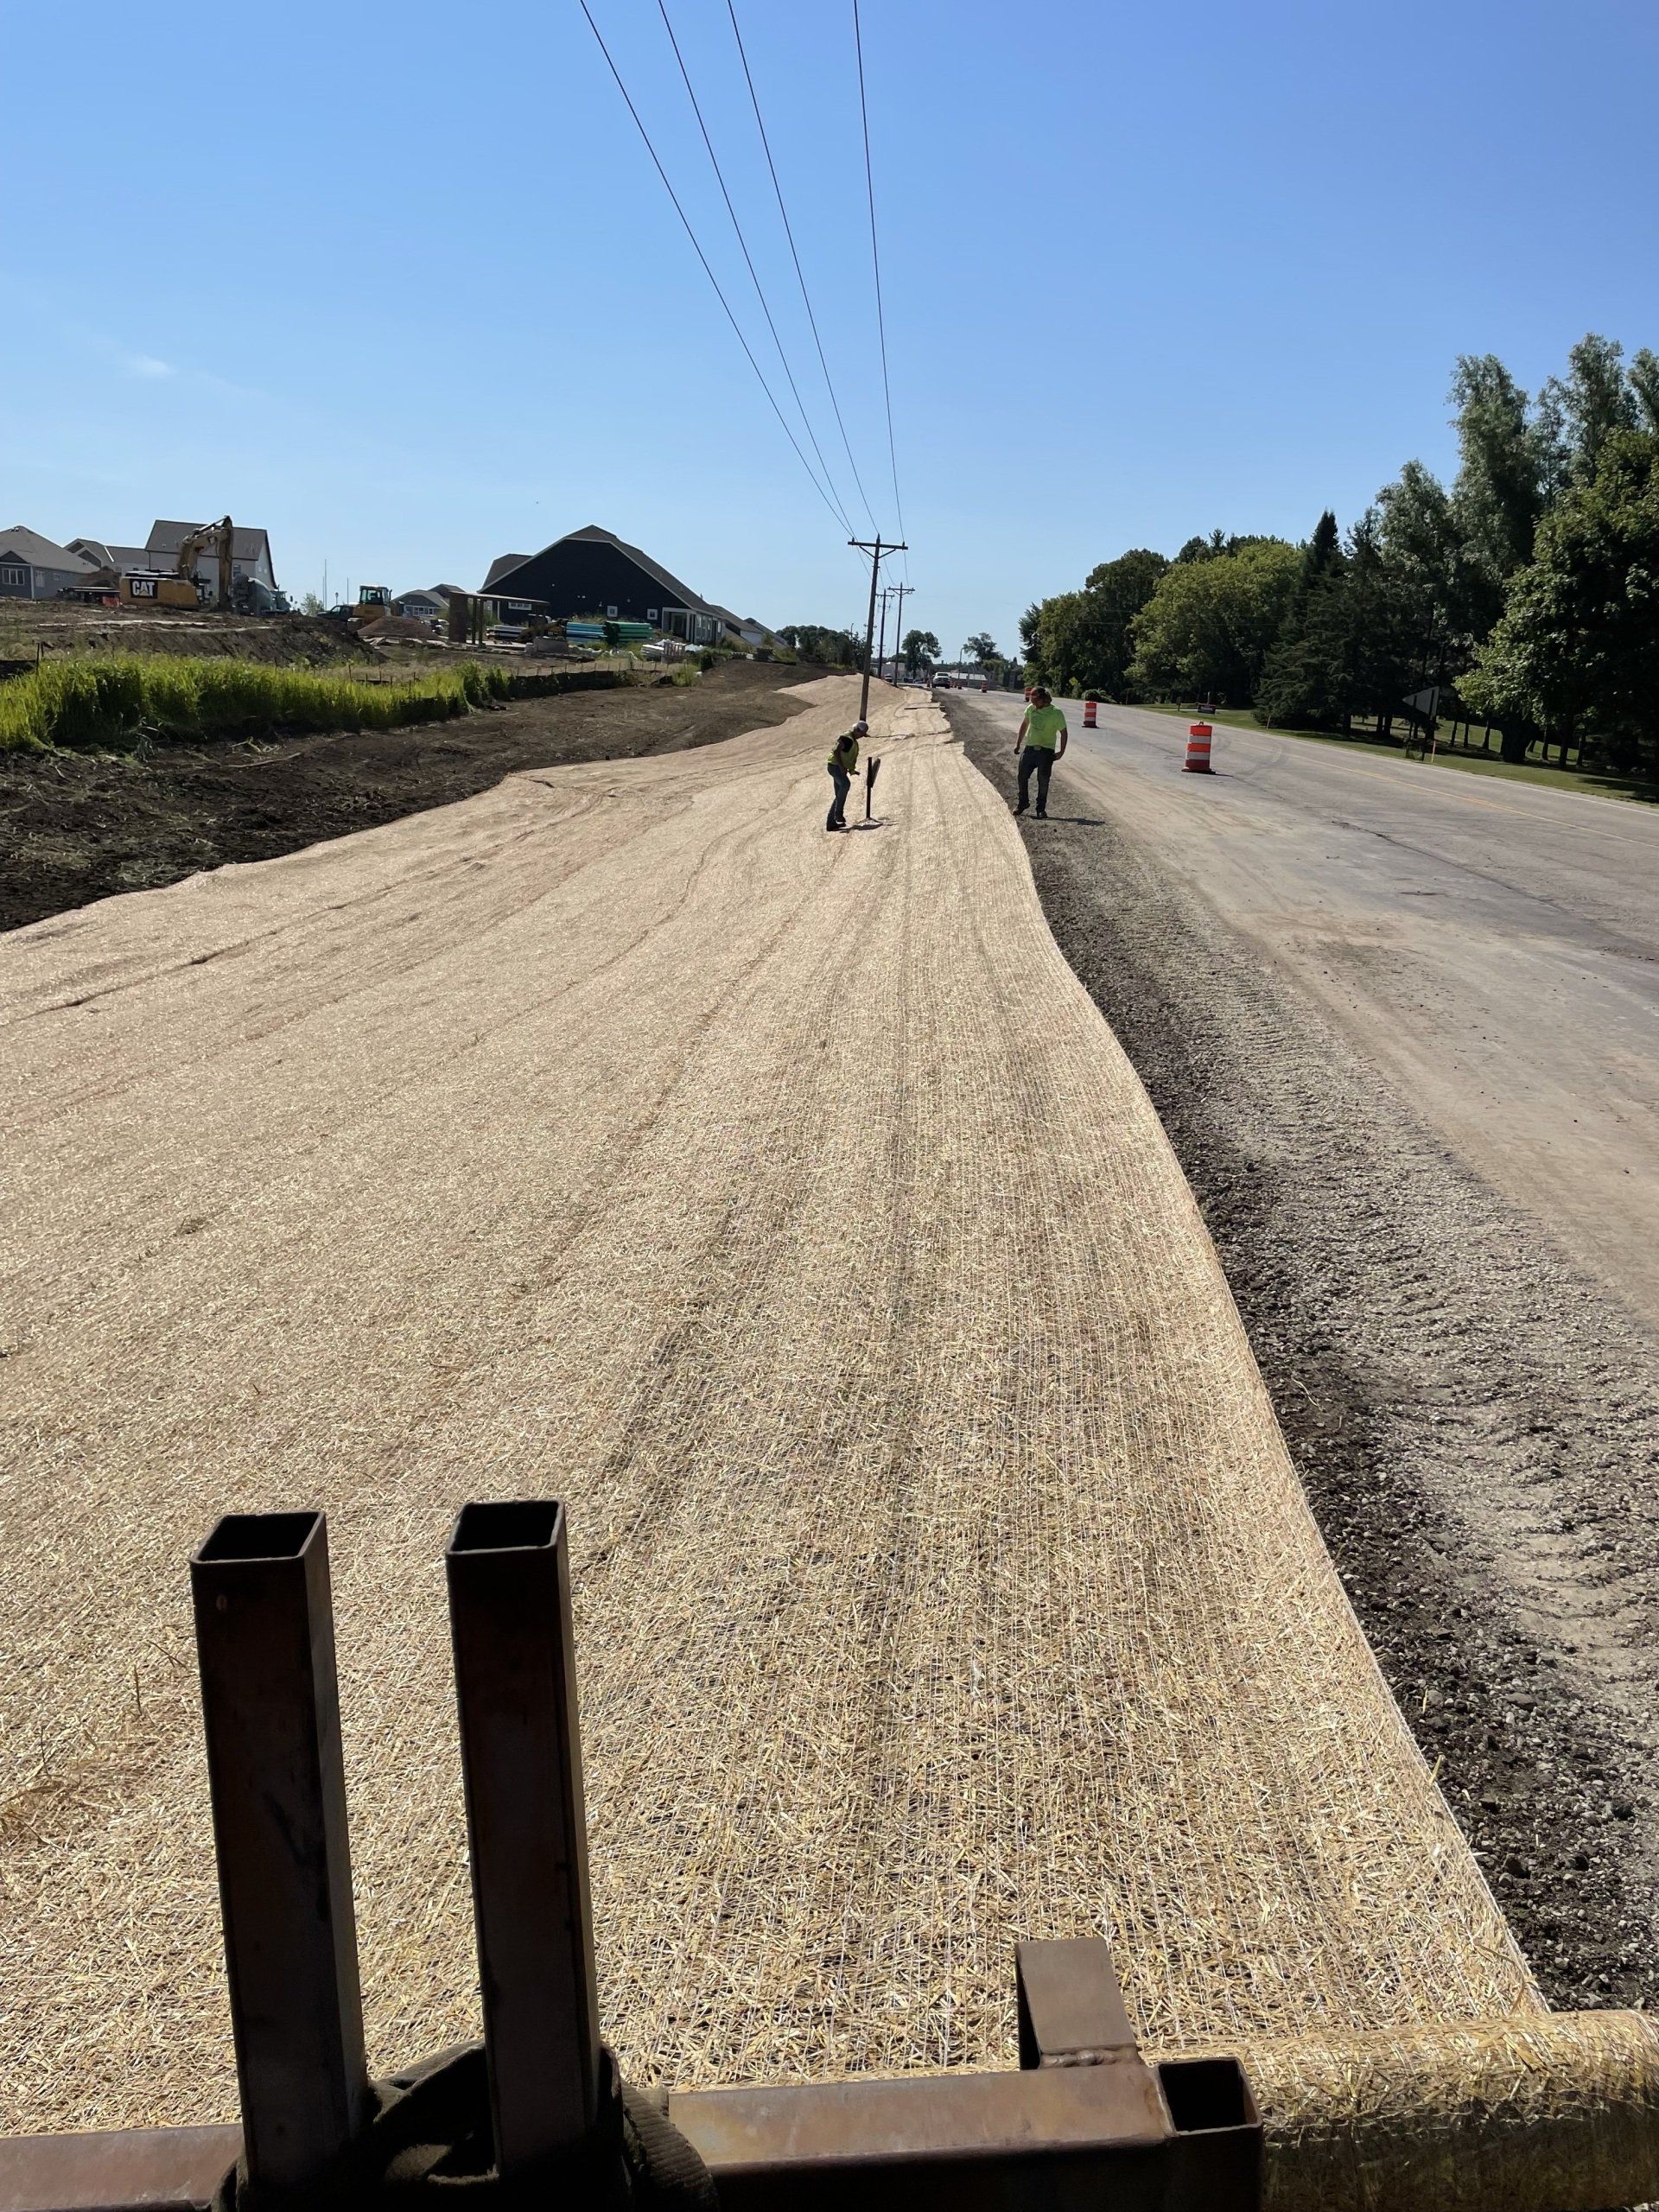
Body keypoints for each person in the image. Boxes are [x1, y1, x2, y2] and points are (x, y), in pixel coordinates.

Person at [1014, 688, 1067, 817]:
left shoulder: (1056, 713)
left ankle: (1040, 809)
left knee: (1043, 781)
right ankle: (1023, 803)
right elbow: (1024, 725)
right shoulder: (1031, 709)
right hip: (1030, 749)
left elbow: (1064, 732)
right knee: (1022, 776)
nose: (1033, 703)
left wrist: (1061, 752)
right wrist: (1018, 743)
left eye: (1036, 700)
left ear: (1044, 698)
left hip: (1046, 752)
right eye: (1032, 700)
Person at [826, 720, 865, 832]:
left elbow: (849, 757)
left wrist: (852, 771)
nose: (861, 737)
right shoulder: (847, 738)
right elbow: (836, 751)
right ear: (857, 731)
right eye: (861, 734)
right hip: (835, 767)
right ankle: (838, 814)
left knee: (839, 795)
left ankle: (831, 824)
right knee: (845, 785)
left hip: (838, 767)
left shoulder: (851, 739)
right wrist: (842, 766)